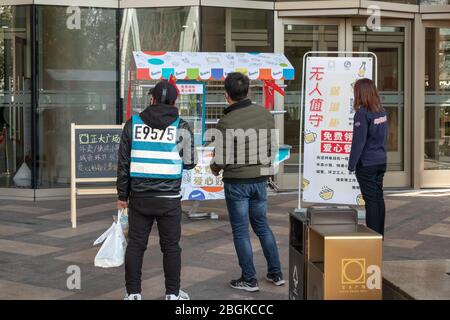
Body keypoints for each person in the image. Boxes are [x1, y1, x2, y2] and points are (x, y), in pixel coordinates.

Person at [117, 80, 196, 300]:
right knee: (171, 247)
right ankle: (172, 293)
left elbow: (123, 164)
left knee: (136, 245)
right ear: (174, 101)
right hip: (169, 199)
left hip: (139, 198)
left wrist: (122, 196)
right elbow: (190, 162)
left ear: (152, 99)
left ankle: (133, 294)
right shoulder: (181, 126)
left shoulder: (132, 124)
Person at [210, 72, 284, 292]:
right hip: (260, 181)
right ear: (249, 91)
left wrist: (214, 168)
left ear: (226, 95)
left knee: (241, 231)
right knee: (262, 226)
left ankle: (249, 279)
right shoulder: (265, 115)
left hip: (237, 183)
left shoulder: (226, 121)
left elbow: (221, 157)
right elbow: (273, 149)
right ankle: (276, 273)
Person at [348, 78, 388, 236]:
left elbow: (359, 142)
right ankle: (379, 235)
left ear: (361, 93)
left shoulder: (362, 114)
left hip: (367, 164)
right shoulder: (381, 111)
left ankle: (372, 236)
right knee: (378, 197)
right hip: (380, 161)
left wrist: (352, 164)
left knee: (371, 200)